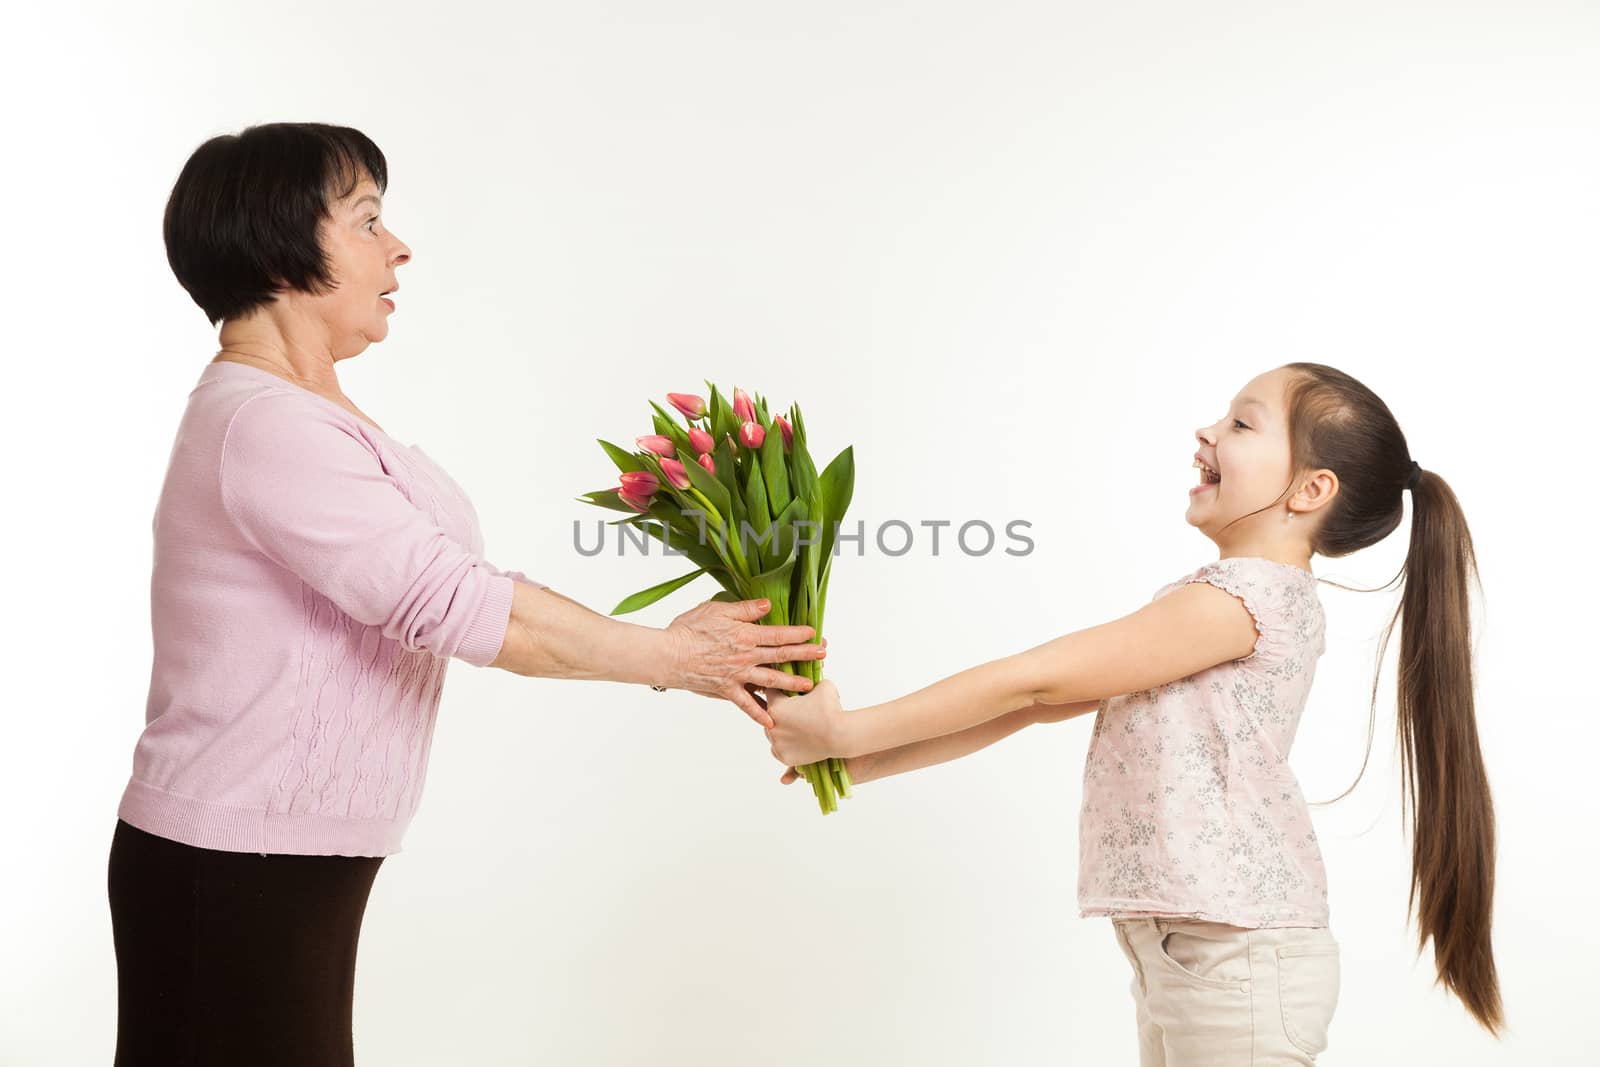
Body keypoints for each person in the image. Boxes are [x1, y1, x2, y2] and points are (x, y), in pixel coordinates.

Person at [107, 121, 825, 1067]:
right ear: (280, 244)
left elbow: (453, 589)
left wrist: (671, 652)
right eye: (367, 221)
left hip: (281, 858)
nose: (398, 246)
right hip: (234, 864)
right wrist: (670, 656)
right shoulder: (265, 426)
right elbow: (451, 600)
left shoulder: (304, 411)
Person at [763, 363, 1503, 1063]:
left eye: (1242, 424)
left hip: (1235, 960)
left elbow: (1035, 683)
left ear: (1309, 490)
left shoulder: (1247, 599)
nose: (1207, 431)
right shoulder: (1223, 597)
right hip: (1198, 955)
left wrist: (846, 728)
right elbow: (1038, 708)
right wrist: (859, 760)